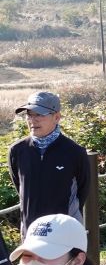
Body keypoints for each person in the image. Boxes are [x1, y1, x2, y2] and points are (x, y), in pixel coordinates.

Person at [9, 92, 90, 236]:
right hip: (30, 233)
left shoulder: (74, 152)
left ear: (56, 117)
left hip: (64, 233)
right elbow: (20, 187)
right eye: (29, 114)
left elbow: (82, 192)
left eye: (39, 115)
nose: (33, 120)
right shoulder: (17, 151)